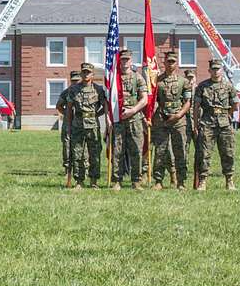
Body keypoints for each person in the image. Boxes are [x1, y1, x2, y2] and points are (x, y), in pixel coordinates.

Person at [193, 59, 239, 191]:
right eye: (213, 69)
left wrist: (227, 115)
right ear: (209, 71)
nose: (215, 71)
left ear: (222, 70)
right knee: (204, 153)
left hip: (224, 124)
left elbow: (235, 105)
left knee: (228, 152)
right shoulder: (202, 87)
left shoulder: (228, 86)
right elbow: (196, 107)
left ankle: (229, 180)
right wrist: (196, 125)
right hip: (207, 123)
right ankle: (202, 181)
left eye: (218, 69)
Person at [65, 61, 108, 188]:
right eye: (83, 72)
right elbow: (69, 108)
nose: (85, 74)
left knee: (94, 154)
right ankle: (79, 181)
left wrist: (97, 115)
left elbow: (105, 105)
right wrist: (68, 125)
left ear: (92, 74)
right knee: (77, 154)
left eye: (88, 72)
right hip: (77, 125)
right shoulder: (73, 89)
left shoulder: (98, 89)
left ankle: (94, 181)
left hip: (93, 126)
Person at [149, 56, 188, 189]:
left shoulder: (184, 81)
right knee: (160, 150)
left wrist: (178, 115)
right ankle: (158, 181)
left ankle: (181, 181)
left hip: (178, 119)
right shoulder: (157, 80)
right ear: (164, 63)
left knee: (180, 150)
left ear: (176, 64)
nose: (170, 64)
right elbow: (152, 101)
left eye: (173, 62)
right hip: (162, 119)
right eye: (168, 62)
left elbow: (188, 102)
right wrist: (150, 117)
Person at [113, 49, 150, 189]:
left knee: (136, 150)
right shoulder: (114, 78)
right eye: (122, 59)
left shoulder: (138, 77)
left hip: (135, 119)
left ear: (131, 61)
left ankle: (136, 180)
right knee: (118, 150)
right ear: (119, 61)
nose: (125, 62)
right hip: (119, 119)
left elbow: (144, 99)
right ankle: (117, 180)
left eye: (127, 59)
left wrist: (133, 110)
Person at [58, 70, 81, 179]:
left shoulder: (82, 91)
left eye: (77, 81)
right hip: (68, 123)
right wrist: (67, 114)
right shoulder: (66, 92)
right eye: (73, 81)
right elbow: (59, 106)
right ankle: (67, 168)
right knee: (67, 145)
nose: (75, 83)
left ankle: (80, 168)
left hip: (80, 122)